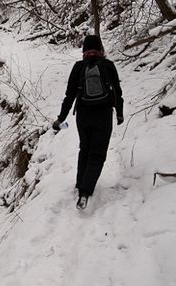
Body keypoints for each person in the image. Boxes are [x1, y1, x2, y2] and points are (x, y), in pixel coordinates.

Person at [52, 35, 124, 210]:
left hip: (83, 116)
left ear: (84, 50)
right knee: (98, 153)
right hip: (103, 114)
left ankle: (80, 184)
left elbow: (69, 96)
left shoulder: (78, 67)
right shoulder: (108, 66)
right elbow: (117, 91)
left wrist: (60, 119)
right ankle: (85, 191)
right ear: (101, 49)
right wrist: (119, 114)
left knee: (85, 149)